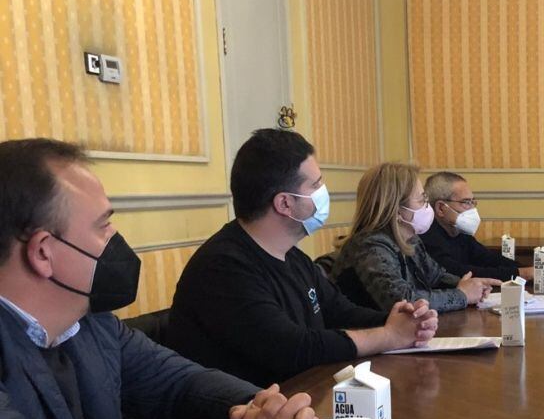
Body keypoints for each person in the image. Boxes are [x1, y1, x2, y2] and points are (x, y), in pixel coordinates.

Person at [0, 138, 316, 419]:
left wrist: (270, 412)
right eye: (103, 227)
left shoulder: (95, 324)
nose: (116, 241)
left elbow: (178, 383)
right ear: (44, 252)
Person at [167, 130, 438, 388]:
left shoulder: (292, 255)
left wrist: (404, 321)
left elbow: (339, 312)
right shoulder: (223, 268)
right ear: (285, 203)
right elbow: (292, 348)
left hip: (302, 400)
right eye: (316, 184)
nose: (324, 192)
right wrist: (388, 336)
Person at [331, 163, 500, 312]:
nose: (428, 207)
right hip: (368, 339)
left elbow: (436, 276)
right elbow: (402, 300)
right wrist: (462, 294)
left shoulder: (410, 239)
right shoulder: (370, 246)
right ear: (396, 209)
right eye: (422, 200)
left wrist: (469, 285)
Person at [420, 171, 531, 282]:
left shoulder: (460, 233)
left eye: (473, 202)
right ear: (441, 208)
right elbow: (460, 272)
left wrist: (525, 270)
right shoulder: (428, 239)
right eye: (466, 202)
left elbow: (488, 258)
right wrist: (521, 273)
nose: (472, 209)